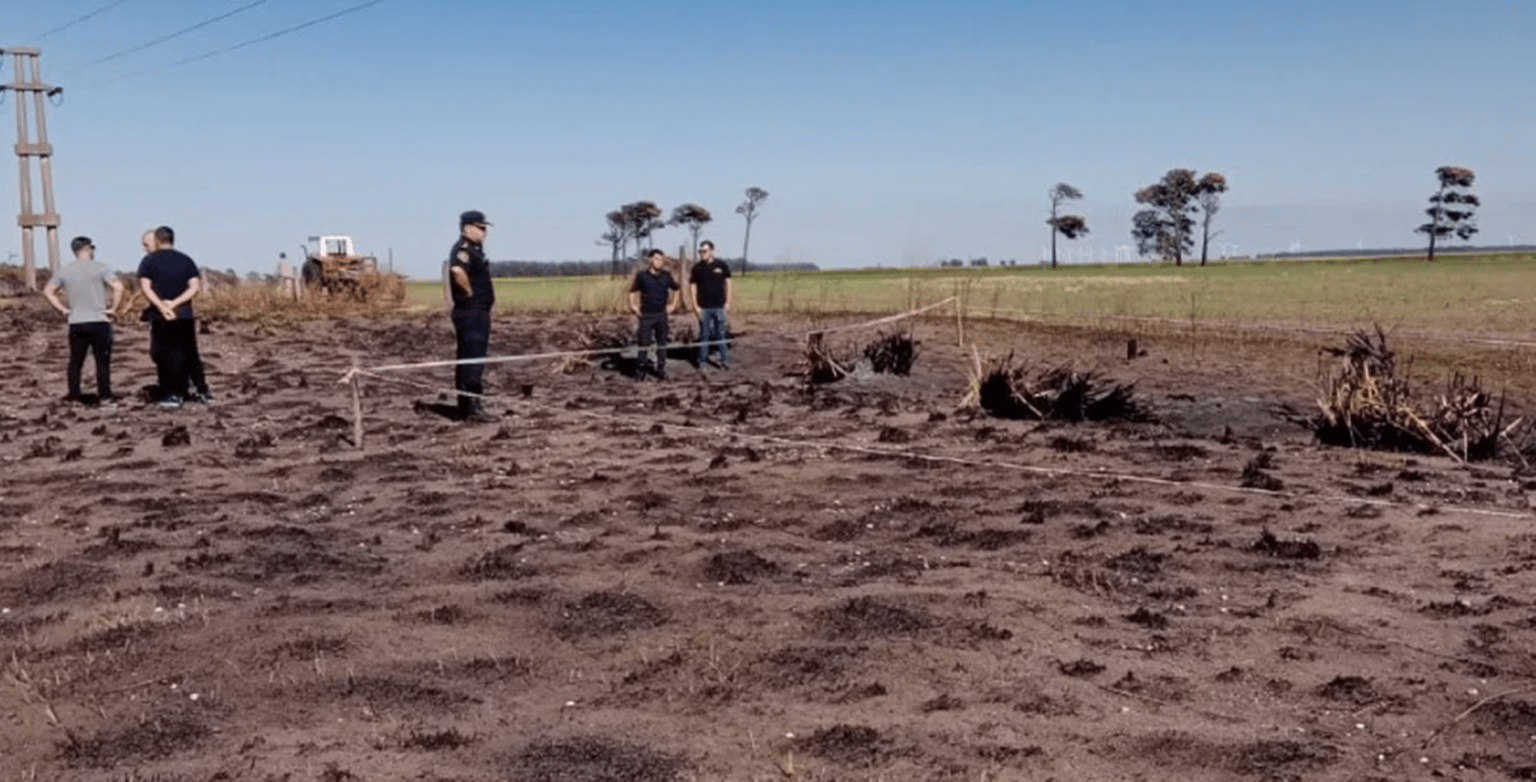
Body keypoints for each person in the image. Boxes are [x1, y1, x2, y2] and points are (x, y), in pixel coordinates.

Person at [42, 236, 123, 404]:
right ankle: (105, 395)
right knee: (102, 360)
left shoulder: (65, 270)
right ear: (87, 249)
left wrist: (63, 310)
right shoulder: (100, 268)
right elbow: (118, 287)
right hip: (99, 320)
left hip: (77, 322)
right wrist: (113, 309)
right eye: (92, 247)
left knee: (75, 361)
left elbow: (48, 292)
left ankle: (74, 394)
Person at [141, 231, 212, 403]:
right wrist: (175, 303)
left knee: (166, 355)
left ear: (157, 240)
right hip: (184, 314)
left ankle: (172, 394)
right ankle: (202, 391)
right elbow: (194, 287)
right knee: (190, 353)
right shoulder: (186, 260)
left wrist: (162, 306)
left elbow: (146, 288)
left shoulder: (149, 261)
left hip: (161, 316)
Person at [447, 210, 496, 422]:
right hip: (471, 312)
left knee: (474, 357)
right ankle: (470, 409)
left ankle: (471, 405)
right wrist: (469, 294)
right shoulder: (463, 250)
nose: (484, 232)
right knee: (472, 359)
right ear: (468, 228)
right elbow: (458, 271)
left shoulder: (475, 250)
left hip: (478, 311)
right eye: (481, 227)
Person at [628, 248, 680, 380]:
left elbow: (676, 289)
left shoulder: (666, 276)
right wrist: (634, 307)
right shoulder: (642, 276)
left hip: (661, 315)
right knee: (643, 344)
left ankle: (661, 370)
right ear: (650, 260)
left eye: (661, 260)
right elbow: (632, 291)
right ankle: (641, 372)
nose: (659, 262)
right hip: (646, 315)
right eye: (656, 259)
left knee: (662, 344)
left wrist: (673, 305)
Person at [689, 239, 733, 369]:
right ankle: (702, 361)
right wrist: (695, 306)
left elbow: (728, 284)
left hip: (719, 307)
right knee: (704, 335)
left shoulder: (722, 265)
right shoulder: (697, 268)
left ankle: (724, 361)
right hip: (704, 308)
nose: (702, 254)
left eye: (705, 251)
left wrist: (728, 302)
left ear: (712, 251)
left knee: (721, 334)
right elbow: (692, 287)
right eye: (700, 251)